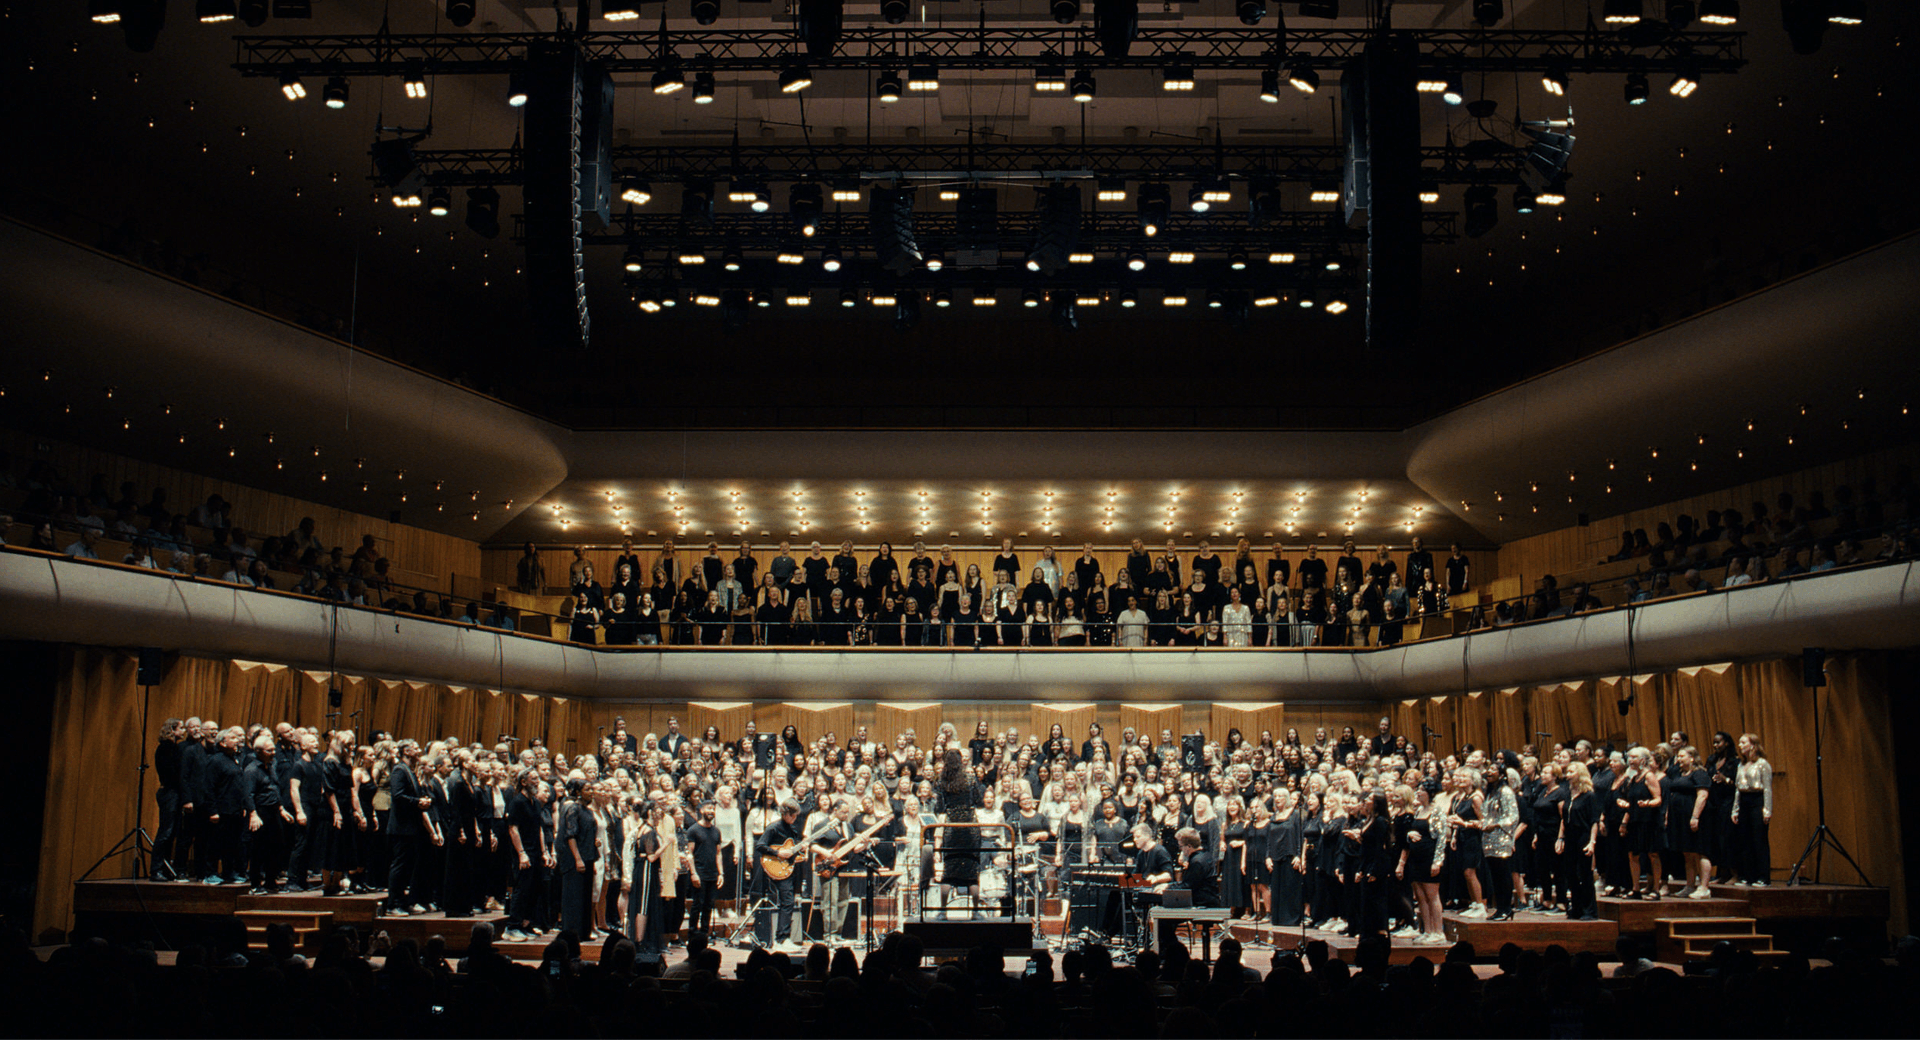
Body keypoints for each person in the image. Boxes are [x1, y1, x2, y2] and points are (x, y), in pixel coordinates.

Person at [753, 799, 807, 950]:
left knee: (788, 901)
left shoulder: (793, 829)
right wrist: (778, 852)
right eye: (793, 815)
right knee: (787, 901)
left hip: (788, 868)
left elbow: (792, 851)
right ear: (785, 814)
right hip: (776, 867)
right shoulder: (773, 828)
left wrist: (802, 848)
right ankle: (781, 939)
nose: (795, 818)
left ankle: (783, 938)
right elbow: (760, 846)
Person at [1730, 733, 1773, 886]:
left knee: (1758, 840)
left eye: (1743, 742)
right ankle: (1747, 876)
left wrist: (1767, 810)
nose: (1740, 745)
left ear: (1753, 745)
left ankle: (1763, 877)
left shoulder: (1762, 764)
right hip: (1744, 801)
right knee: (1744, 840)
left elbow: (1767, 788)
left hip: (1757, 800)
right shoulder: (1740, 765)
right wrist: (1735, 810)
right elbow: (1737, 789)